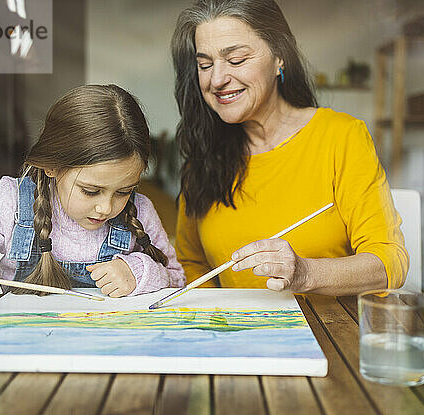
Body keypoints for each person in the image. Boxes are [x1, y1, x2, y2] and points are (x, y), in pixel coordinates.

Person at [172, 0, 409, 295]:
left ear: (280, 57)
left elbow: (390, 262)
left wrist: (306, 273)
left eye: (236, 60)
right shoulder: (201, 159)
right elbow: (191, 263)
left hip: (330, 333)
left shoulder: (341, 137)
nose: (217, 79)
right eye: (204, 65)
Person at [0, 84, 185, 321]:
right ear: (52, 166)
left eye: (123, 192)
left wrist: (139, 272)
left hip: (109, 355)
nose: (107, 208)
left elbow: (176, 279)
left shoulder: (141, 211)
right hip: (24, 355)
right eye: (90, 191)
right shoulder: (7, 204)